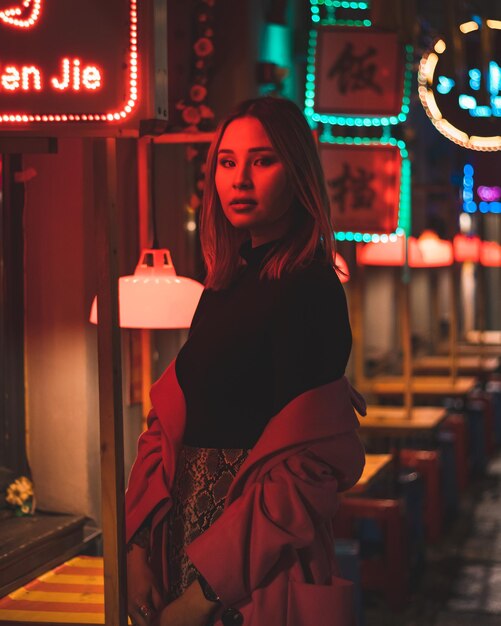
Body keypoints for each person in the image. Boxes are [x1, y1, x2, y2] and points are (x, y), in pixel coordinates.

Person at [125, 96, 366, 626]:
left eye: (262, 161)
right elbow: (171, 424)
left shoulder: (311, 288)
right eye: (227, 162)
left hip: (256, 574)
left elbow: (310, 467)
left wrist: (204, 593)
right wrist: (137, 546)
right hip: (184, 548)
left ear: (297, 171)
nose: (240, 180)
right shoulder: (225, 283)